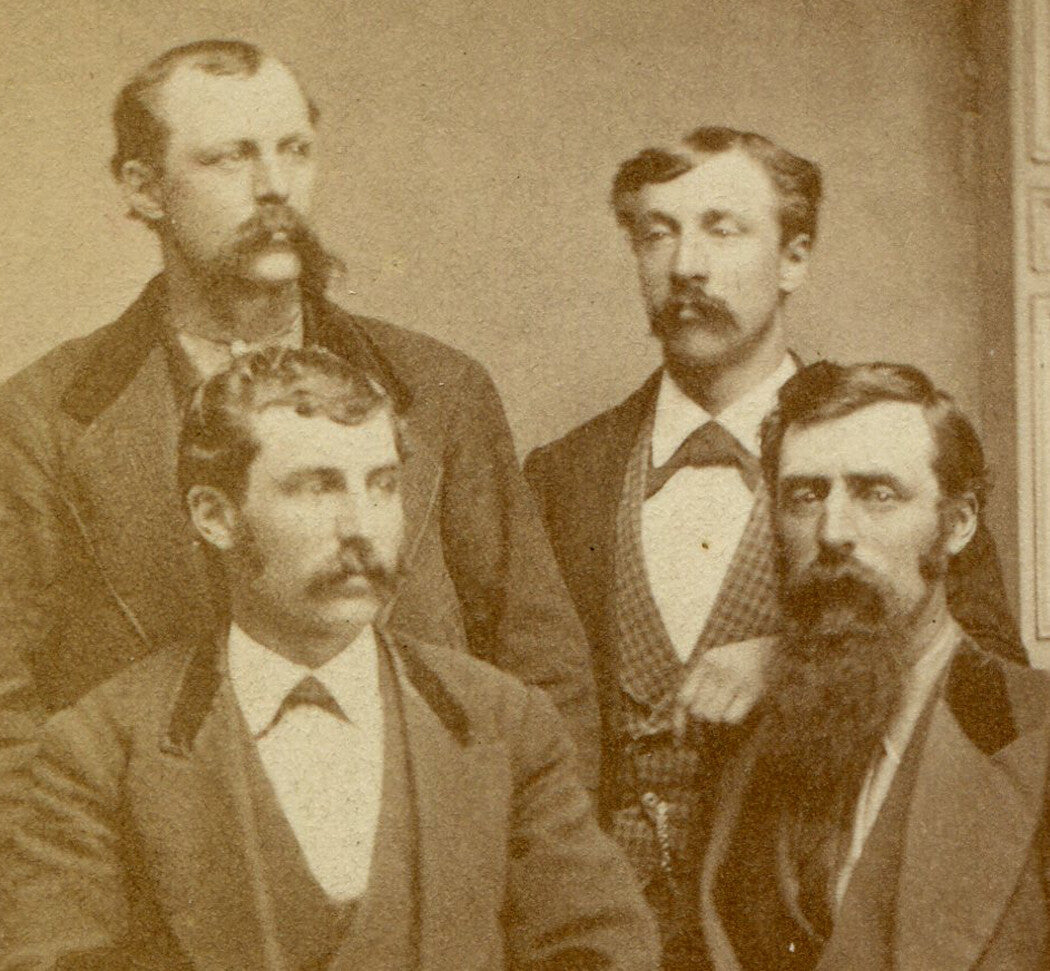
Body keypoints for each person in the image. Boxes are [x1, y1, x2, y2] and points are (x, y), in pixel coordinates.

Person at [0, 39, 599, 797]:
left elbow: (544, 667)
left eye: (295, 151)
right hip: (156, 881)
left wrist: (525, 875)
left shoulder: (440, 392)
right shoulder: (43, 419)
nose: (276, 187)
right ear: (145, 188)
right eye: (229, 159)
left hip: (417, 861)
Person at [523, 126, 1024, 963]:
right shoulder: (563, 474)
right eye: (658, 231)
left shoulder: (893, 451)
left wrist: (798, 657)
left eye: (723, 228)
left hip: (799, 921)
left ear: (794, 258)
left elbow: (989, 700)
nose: (686, 264)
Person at [0, 347, 659, 970]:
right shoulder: (100, 751)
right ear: (215, 515)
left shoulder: (503, 722)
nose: (361, 526)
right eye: (316, 488)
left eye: (382, 485)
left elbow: (598, 949)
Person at [699, 360, 1050, 969]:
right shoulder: (744, 751)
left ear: (958, 523)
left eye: (877, 494)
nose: (833, 530)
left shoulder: (1034, 734)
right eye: (805, 495)